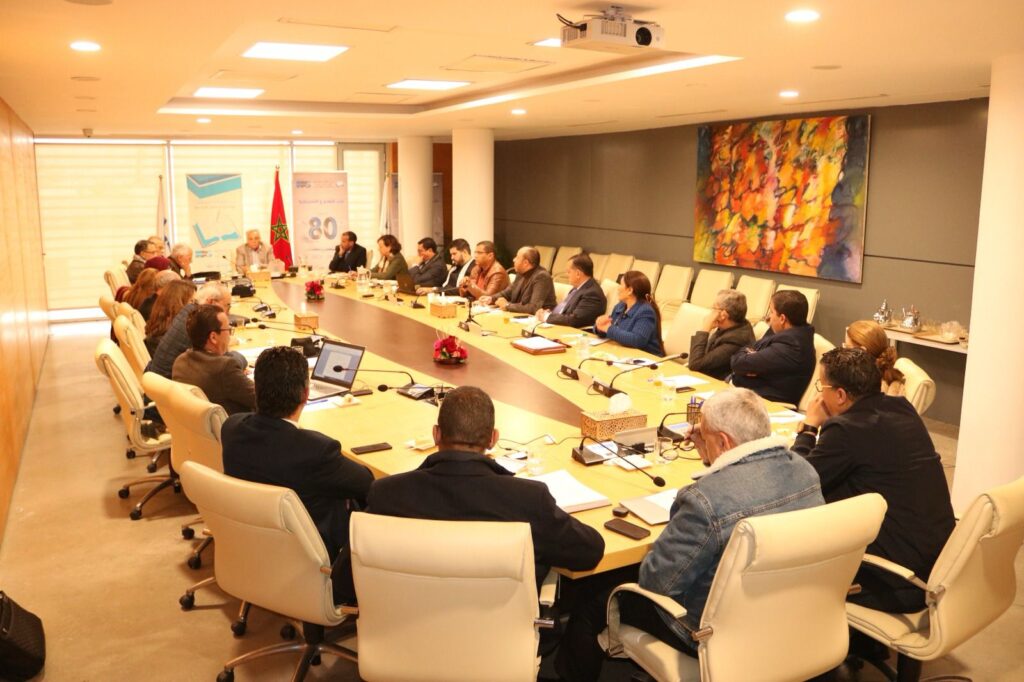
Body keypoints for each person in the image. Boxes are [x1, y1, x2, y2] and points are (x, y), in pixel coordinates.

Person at [556, 388, 823, 681]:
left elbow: (656, 581)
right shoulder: (806, 472)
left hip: (706, 632)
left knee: (591, 598)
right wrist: (710, 450)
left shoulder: (705, 500)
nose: (697, 437)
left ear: (723, 441)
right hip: (788, 618)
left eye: (704, 434)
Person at [366, 386, 603, 585]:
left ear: (436, 435)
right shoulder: (527, 499)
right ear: (493, 439)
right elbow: (589, 552)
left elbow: (353, 568)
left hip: (407, 622)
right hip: (503, 625)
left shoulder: (387, 494)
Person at [792, 348, 954, 614]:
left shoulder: (847, 430)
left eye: (822, 387)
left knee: (791, 550)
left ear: (840, 395)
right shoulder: (901, 408)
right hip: (937, 564)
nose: (819, 396)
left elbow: (797, 483)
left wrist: (809, 428)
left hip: (898, 582)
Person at [221, 346, 374, 604]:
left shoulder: (231, 428)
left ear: (256, 389)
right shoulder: (315, 451)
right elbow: (366, 483)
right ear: (305, 394)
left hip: (250, 546)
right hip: (310, 557)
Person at [730, 289, 815, 405]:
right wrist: (750, 357)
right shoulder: (786, 333)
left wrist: (750, 357)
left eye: (771, 312)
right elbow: (749, 350)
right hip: (746, 395)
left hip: (763, 404)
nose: (768, 317)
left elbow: (738, 363)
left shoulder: (792, 346)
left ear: (782, 319)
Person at [147, 281, 244, 378]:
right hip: (172, 382)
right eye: (227, 306)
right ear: (211, 302)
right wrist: (241, 359)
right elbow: (222, 365)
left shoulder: (190, 310)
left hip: (160, 378)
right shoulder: (200, 321)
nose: (228, 313)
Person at [171, 304, 255, 415]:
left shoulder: (180, 362)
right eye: (228, 330)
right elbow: (263, 399)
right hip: (233, 424)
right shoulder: (225, 368)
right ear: (213, 337)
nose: (230, 335)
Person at [687, 289, 755, 380]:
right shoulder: (732, 325)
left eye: (714, 308)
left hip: (714, 383)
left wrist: (705, 328)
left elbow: (695, 364)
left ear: (723, 314)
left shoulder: (736, 340)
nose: (711, 312)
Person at [594, 270, 664, 356]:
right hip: (624, 353)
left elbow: (638, 340)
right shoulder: (620, 306)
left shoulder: (645, 311)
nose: (618, 288)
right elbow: (612, 332)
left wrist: (608, 329)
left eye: (621, 285)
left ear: (630, 290)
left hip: (646, 358)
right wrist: (600, 327)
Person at [535, 253, 607, 329]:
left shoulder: (592, 293)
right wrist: (548, 313)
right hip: (559, 326)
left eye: (569, 272)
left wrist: (546, 317)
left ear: (578, 274)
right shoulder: (577, 288)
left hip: (573, 332)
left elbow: (574, 320)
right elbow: (565, 311)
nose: (567, 275)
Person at [480, 246, 556, 314]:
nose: (514, 260)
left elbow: (534, 308)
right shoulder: (521, 273)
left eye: (517, 257)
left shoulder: (542, 277)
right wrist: (491, 299)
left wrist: (507, 305)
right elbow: (508, 293)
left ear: (525, 263)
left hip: (539, 319)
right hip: (519, 315)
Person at [844, 320, 906, 396]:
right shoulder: (888, 383)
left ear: (861, 352)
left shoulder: (861, 391)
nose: (843, 351)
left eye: (847, 347)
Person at [144, 278, 196, 355]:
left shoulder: (161, 325)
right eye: (192, 301)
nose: (195, 306)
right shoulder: (170, 337)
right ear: (179, 303)